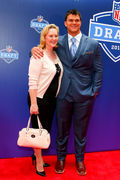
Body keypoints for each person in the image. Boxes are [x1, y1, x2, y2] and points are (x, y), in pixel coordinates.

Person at [31, 9, 102, 176]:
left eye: (76, 20)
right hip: (62, 95)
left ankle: (79, 160)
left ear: (80, 22)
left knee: (81, 131)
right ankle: (60, 159)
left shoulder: (92, 43)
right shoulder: (58, 41)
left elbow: (98, 70)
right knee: (62, 130)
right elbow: (42, 50)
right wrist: (33, 49)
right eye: (70, 20)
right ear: (65, 23)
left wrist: (95, 90)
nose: (74, 23)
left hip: (85, 96)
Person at [28, 24, 63, 177]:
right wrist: (34, 103)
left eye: (56, 36)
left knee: (45, 131)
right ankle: (39, 163)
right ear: (44, 37)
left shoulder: (56, 55)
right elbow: (33, 81)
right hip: (39, 100)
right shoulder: (38, 54)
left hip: (51, 101)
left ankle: (35, 156)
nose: (54, 38)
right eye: (51, 36)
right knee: (37, 132)